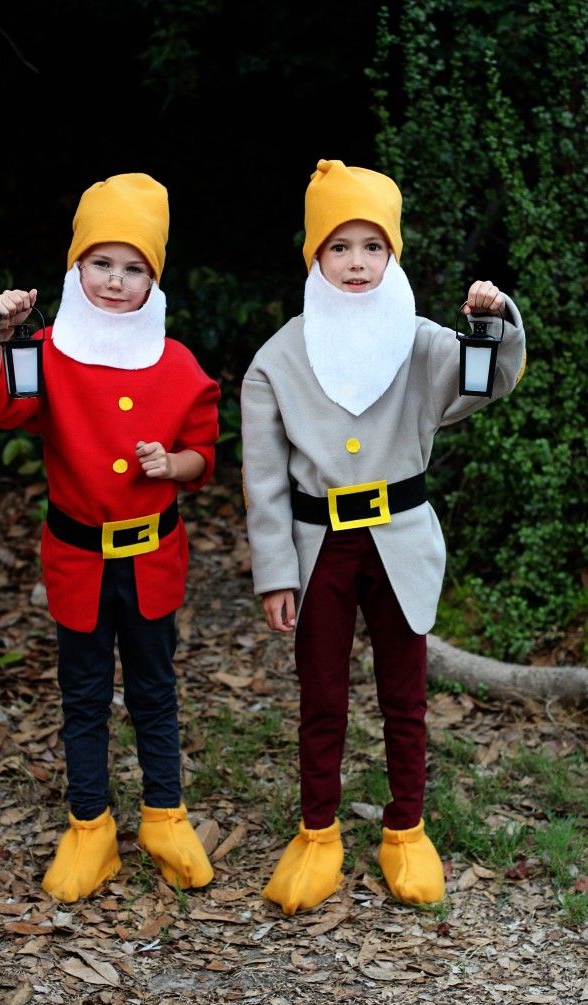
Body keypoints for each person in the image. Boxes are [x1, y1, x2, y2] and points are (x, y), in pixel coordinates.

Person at [240, 158, 526, 916]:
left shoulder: (426, 342)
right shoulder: (278, 357)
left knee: (404, 694)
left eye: (372, 246)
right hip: (319, 546)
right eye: (339, 247)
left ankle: (406, 828)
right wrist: (275, 571)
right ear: (314, 255)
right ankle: (317, 833)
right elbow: (264, 476)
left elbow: (487, 379)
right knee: (322, 696)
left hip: (399, 537)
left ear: (392, 253)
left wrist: (490, 322)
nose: (357, 262)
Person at [0, 172, 221, 902]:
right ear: (77, 266)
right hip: (78, 556)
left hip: (152, 555)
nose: (115, 280)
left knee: (156, 690)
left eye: (134, 268)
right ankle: (89, 827)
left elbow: (206, 453)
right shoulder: (47, 349)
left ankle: (165, 816)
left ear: (153, 279)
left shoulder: (176, 363)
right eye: (102, 262)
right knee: (83, 693)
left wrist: (175, 464)